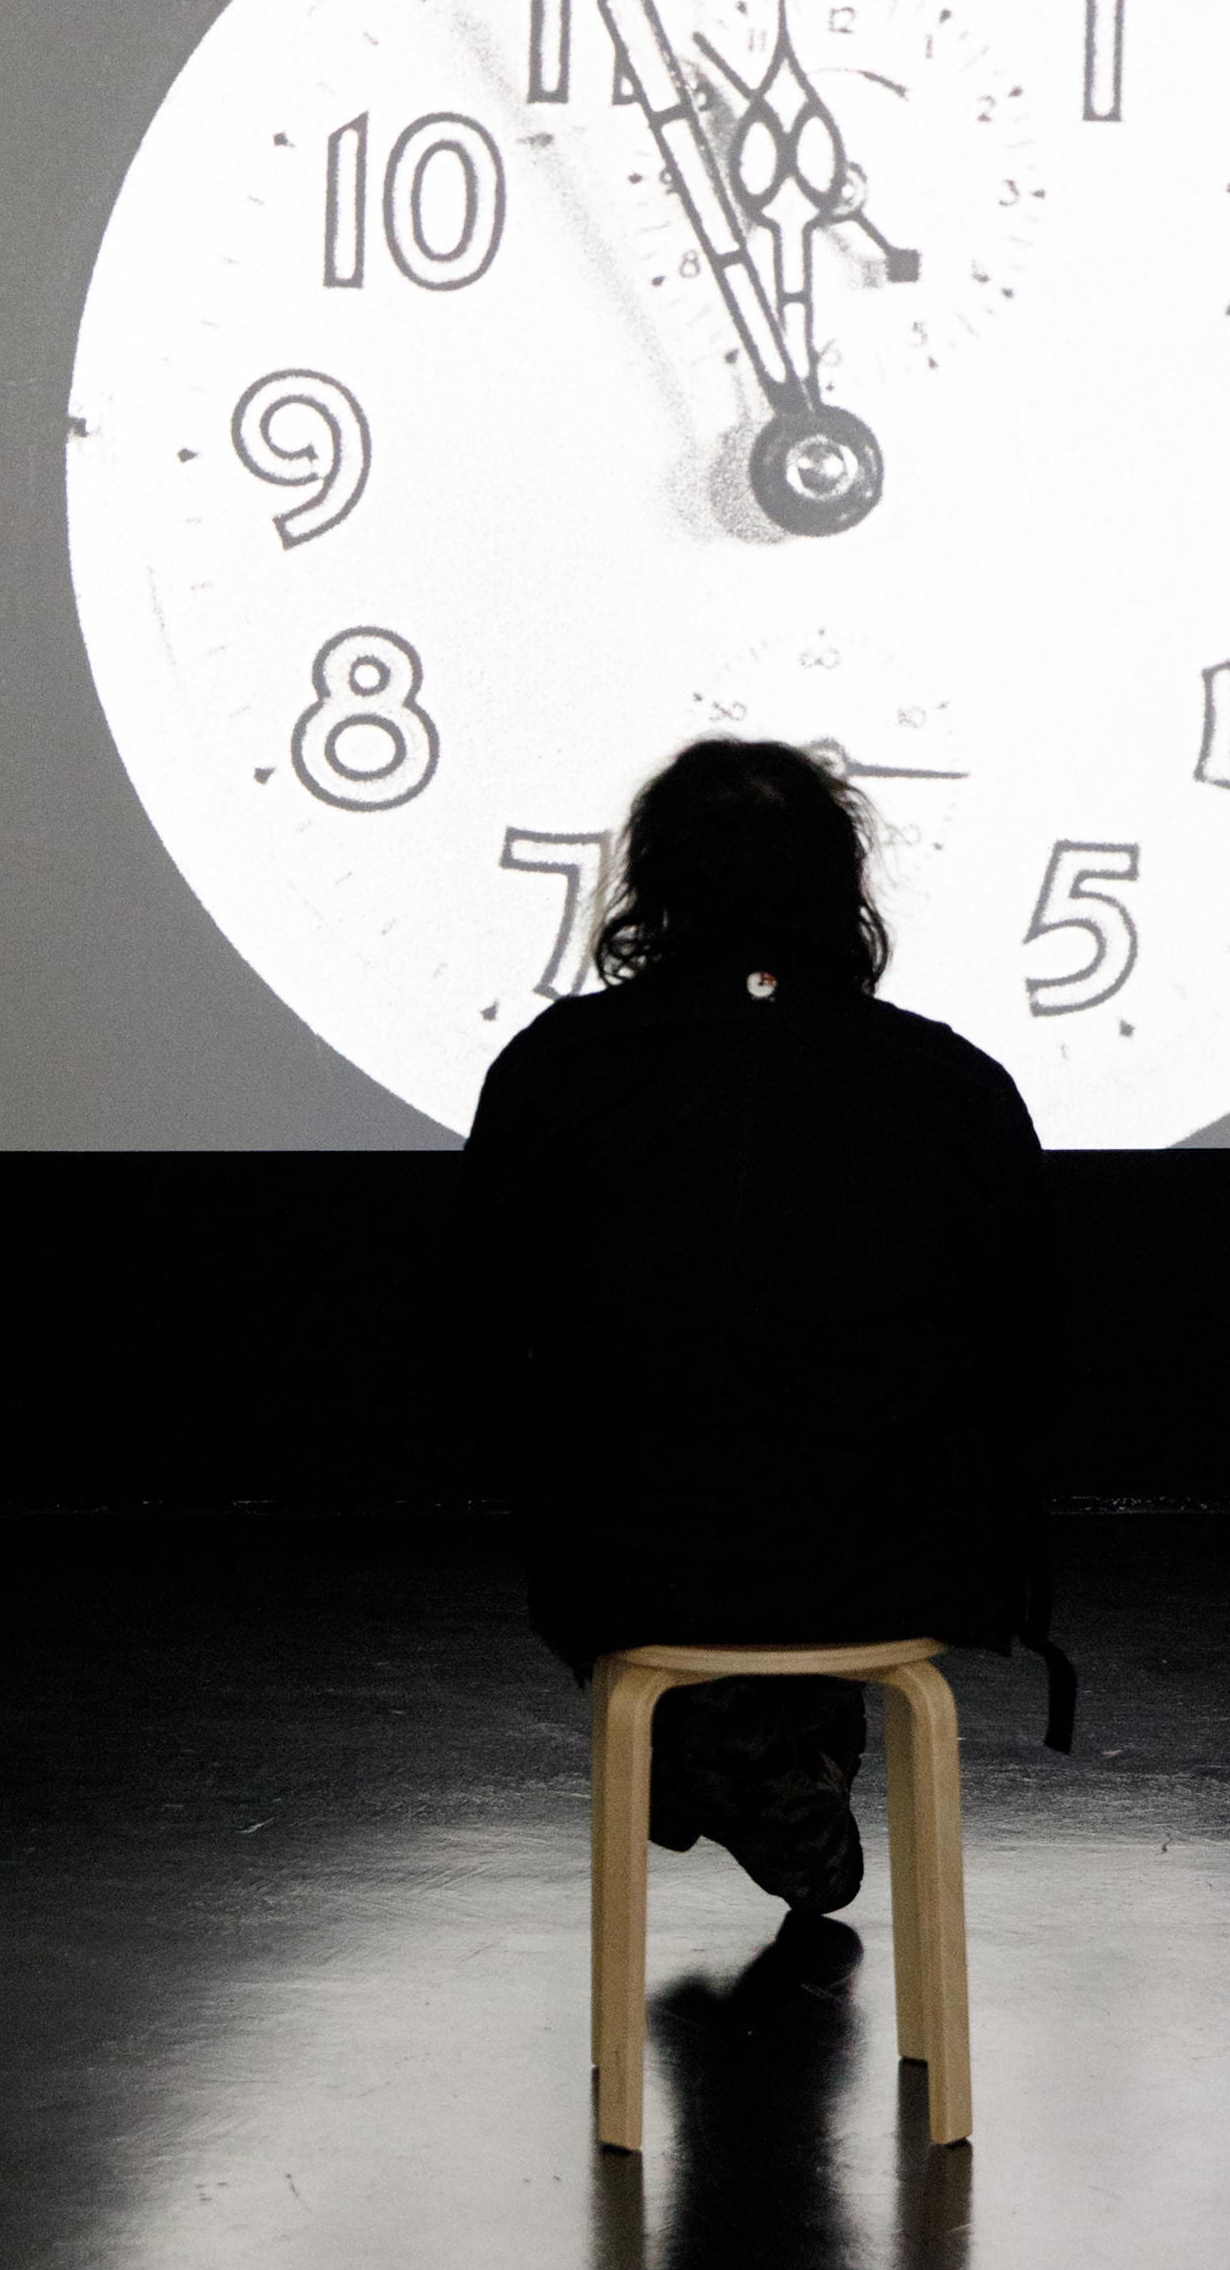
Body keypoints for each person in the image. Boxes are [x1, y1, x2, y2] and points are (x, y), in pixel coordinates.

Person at [460, 738, 1074, 1919]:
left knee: (662, 1537)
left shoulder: (555, 1073)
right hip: (885, 1560)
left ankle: (724, 1738)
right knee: (816, 1500)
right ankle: (769, 1743)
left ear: (651, 886)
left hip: (633, 1558)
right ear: (842, 888)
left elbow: (476, 1345)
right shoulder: (948, 1085)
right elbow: (1033, 1357)